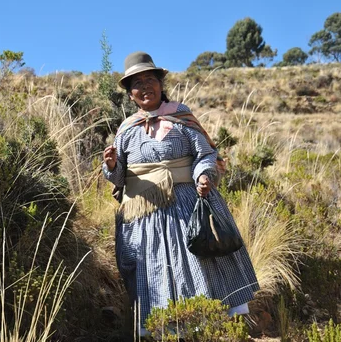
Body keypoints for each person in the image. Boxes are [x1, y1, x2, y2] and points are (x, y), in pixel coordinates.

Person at [102, 51, 259, 336]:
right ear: (129, 94)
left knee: (197, 261)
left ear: (161, 84)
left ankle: (205, 327)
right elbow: (118, 178)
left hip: (187, 206)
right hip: (143, 216)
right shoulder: (126, 130)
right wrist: (111, 164)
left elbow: (206, 154)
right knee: (151, 270)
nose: (145, 87)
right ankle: (160, 329)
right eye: (137, 83)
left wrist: (203, 176)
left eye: (150, 79)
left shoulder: (181, 117)